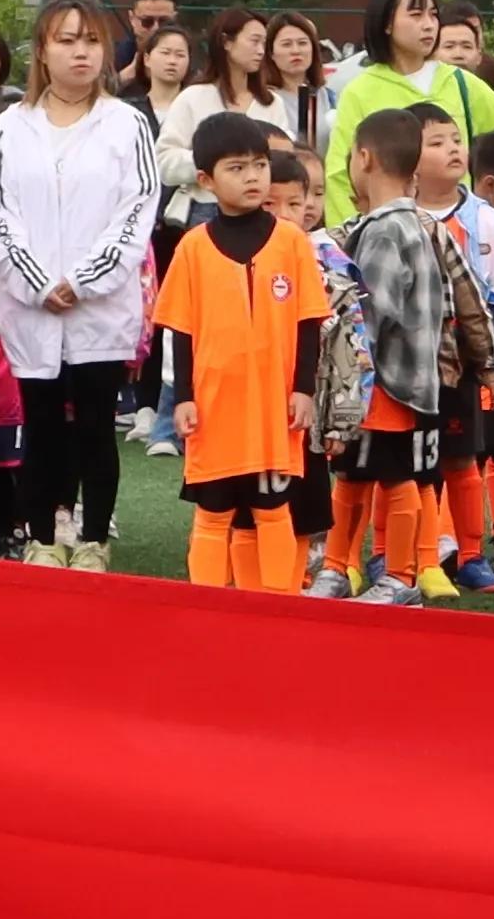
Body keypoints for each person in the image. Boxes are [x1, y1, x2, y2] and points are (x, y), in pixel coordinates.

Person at [0, 2, 157, 567]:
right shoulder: (11, 127)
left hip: (100, 307)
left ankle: (94, 539)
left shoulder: (125, 125)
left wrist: (83, 281)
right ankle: (42, 538)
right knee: (43, 426)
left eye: (91, 42)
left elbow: (136, 209)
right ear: (43, 51)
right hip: (32, 311)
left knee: (96, 427)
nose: (81, 52)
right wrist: (37, 283)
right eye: (67, 41)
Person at [148, 109, 329, 593]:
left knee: (272, 509)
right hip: (214, 407)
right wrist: (183, 396)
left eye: (259, 165)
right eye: (236, 167)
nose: (252, 176)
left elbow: (309, 321)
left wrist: (303, 390)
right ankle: (207, 605)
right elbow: (179, 330)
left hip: (274, 408)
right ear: (206, 180)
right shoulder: (191, 246)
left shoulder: (292, 242)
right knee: (214, 512)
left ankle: (275, 602)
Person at [315, 102, 470, 601]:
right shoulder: (415, 224)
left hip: (385, 381)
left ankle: (398, 576)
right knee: (357, 474)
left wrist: (349, 373)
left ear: (363, 159)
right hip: (405, 378)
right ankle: (339, 567)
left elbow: (371, 313)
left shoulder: (384, 229)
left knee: (394, 476)